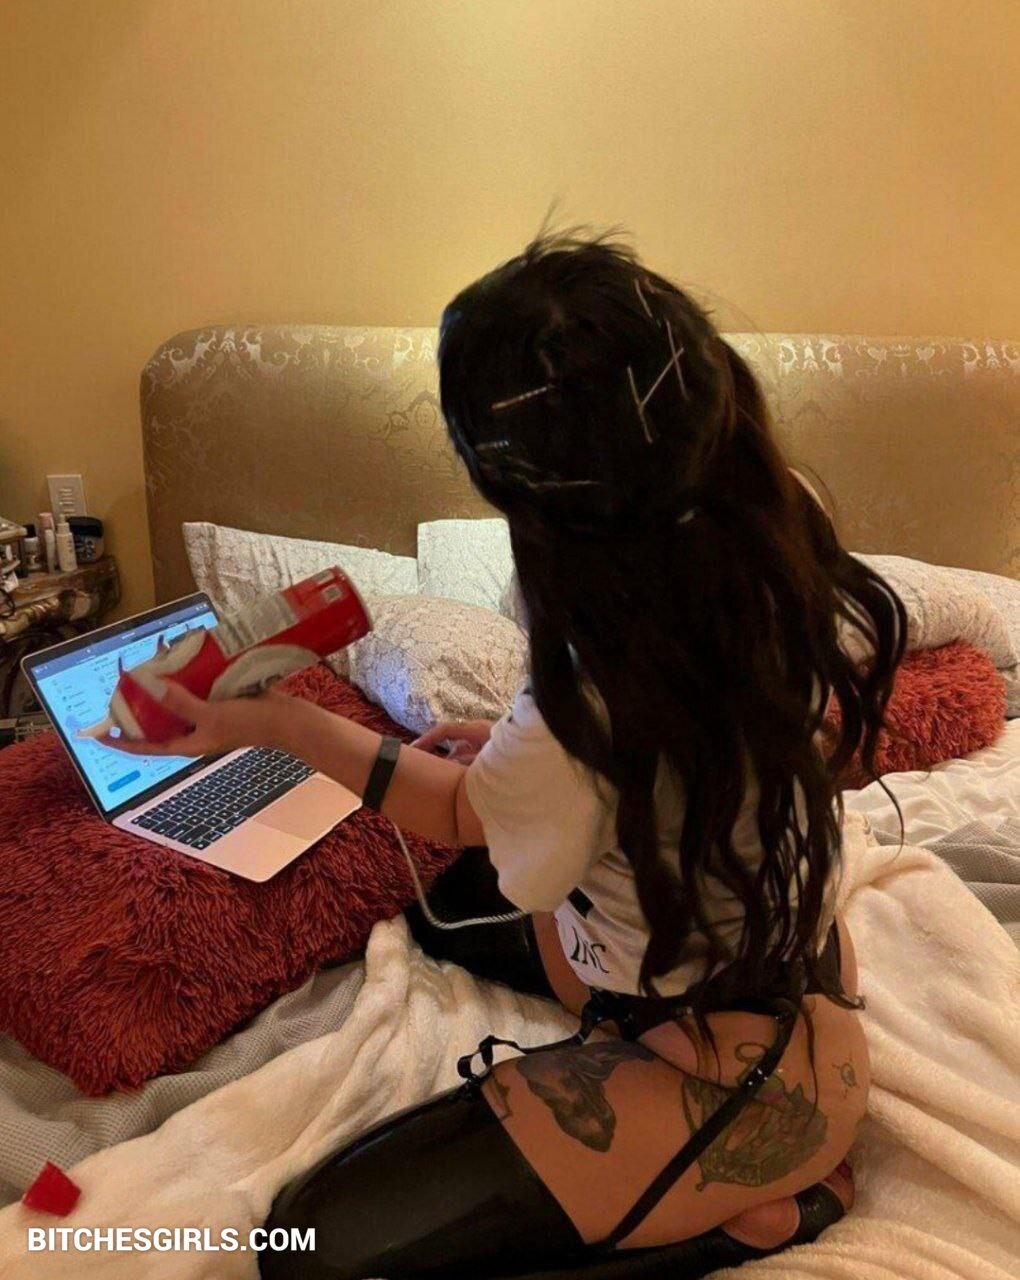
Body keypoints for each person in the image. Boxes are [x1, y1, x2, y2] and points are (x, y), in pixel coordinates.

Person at [110, 231, 905, 1278]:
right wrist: (521, 753)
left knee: (308, 1248)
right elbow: (682, 743)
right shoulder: (774, 521)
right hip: (758, 955)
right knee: (435, 909)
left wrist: (281, 722)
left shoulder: (593, 693)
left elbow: (463, 814)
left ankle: (770, 1211)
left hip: (739, 1076)